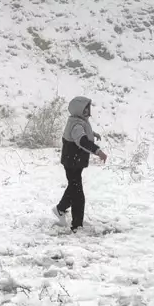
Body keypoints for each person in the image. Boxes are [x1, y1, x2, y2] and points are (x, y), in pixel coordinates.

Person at [53, 96, 108, 232]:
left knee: (73, 188)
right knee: (78, 194)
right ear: (79, 110)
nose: (88, 111)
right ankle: (76, 226)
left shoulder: (78, 121)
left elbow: (84, 132)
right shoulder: (77, 124)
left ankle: (60, 208)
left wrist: (92, 133)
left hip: (74, 162)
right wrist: (97, 151)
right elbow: (82, 141)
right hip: (72, 162)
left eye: (88, 108)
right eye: (85, 109)